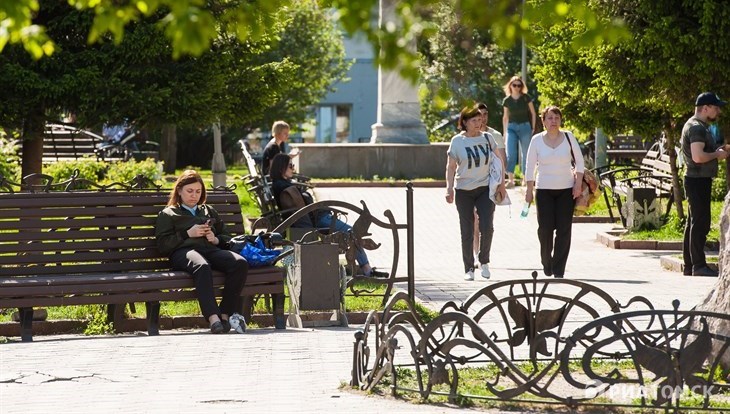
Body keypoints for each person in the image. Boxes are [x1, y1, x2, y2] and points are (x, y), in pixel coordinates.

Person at [155, 170, 248, 334]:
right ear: (179, 191)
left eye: (198, 191)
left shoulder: (209, 211)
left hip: (210, 249)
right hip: (184, 252)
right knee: (202, 266)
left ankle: (225, 315)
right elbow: (163, 245)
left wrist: (216, 239)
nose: (194, 195)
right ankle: (214, 319)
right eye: (189, 191)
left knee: (239, 263)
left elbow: (227, 236)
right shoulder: (168, 214)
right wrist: (186, 234)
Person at [269, 153, 387, 278]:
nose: (293, 168)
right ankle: (367, 270)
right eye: (290, 165)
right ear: (281, 167)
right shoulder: (284, 187)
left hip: (315, 217)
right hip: (318, 220)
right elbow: (301, 210)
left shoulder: (281, 184)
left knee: (352, 233)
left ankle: (365, 268)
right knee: (353, 233)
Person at [524, 106, 583, 279]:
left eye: (556, 117)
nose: (553, 121)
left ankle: (558, 269)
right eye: (549, 118)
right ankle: (546, 261)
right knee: (545, 230)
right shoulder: (536, 140)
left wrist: (578, 184)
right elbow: (529, 166)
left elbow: (579, 162)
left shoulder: (569, 137)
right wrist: (529, 190)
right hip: (543, 190)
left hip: (566, 190)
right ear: (543, 121)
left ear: (560, 120)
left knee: (564, 230)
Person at [445, 104, 503, 281]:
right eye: (474, 120)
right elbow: (450, 166)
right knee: (467, 229)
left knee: (487, 226)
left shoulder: (488, 138)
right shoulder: (457, 141)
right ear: (465, 122)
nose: (479, 123)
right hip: (463, 190)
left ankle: (483, 260)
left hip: (485, 188)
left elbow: (498, 161)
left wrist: (501, 185)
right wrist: (448, 188)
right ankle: (468, 267)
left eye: (480, 119)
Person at [681, 92, 730, 277]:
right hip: (697, 180)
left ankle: (690, 265)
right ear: (706, 108)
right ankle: (698, 266)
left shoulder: (698, 125)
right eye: (716, 107)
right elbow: (698, 156)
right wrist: (717, 155)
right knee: (701, 222)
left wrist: (716, 151)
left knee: (694, 222)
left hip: (695, 179)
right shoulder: (697, 128)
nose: (718, 111)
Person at [472, 103, 508, 260]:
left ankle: (484, 254)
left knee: (487, 224)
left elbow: (501, 162)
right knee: (474, 220)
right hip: (471, 184)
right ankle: (475, 253)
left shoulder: (495, 136)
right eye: (480, 115)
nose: (483, 118)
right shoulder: (467, 136)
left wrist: (501, 185)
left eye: (485, 114)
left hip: (490, 185)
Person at [502, 76, 537, 188]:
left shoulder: (526, 98)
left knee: (526, 153)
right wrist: (504, 132)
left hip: (525, 127)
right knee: (511, 153)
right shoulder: (507, 100)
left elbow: (533, 113)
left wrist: (533, 127)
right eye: (515, 85)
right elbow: (505, 117)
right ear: (510, 86)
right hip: (511, 128)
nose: (517, 87)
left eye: (519, 85)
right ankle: (511, 180)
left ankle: (525, 178)